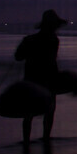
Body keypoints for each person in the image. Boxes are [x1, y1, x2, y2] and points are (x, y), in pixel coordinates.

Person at [14, 9, 69, 144]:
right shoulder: (54, 40)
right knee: (49, 112)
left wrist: (26, 46)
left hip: (31, 79)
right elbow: (50, 60)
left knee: (28, 113)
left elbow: (18, 57)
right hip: (49, 80)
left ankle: (26, 141)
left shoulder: (29, 40)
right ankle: (46, 139)